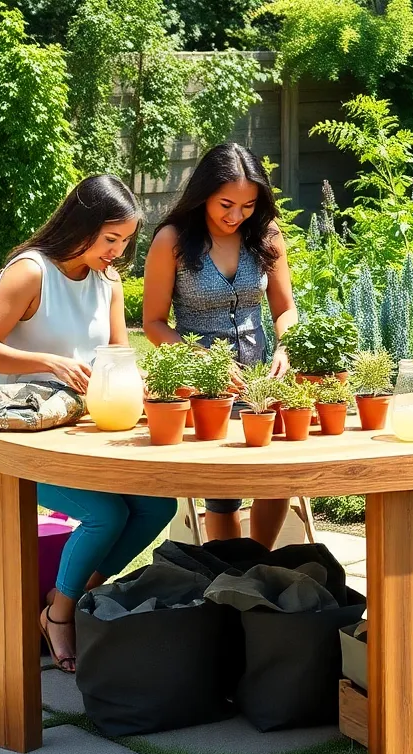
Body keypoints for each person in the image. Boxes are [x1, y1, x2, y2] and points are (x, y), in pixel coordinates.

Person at [0, 175, 178, 672]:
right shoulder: (30, 273)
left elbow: (119, 354)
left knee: (155, 506)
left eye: (125, 241)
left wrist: (155, 385)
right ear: (81, 227)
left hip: (74, 435)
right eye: (110, 240)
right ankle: (60, 615)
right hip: (9, 439)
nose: (118, 252)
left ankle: (75, 595)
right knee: (107, 514)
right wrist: (50, 362)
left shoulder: (108, 282)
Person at [142, 143, 299, 546]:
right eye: (226, 204)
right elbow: (154, 324)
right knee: (223, 493)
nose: (235, 216)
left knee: (274, 479)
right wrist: (201, 361)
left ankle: (257, 564)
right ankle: (228, 576)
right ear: (203, 194)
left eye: (247, 206)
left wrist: (286, 347)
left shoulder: (267, 236)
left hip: (264, 382)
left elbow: (285, 308)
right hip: (206, 389)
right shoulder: (172, 241)